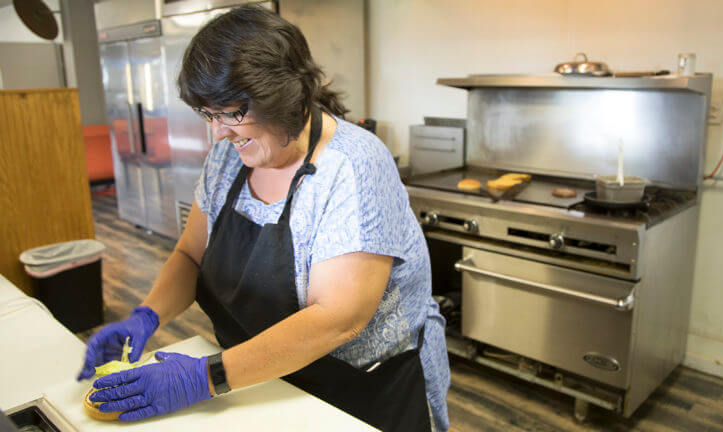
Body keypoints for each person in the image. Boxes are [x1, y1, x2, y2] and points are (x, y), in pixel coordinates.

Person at [77, 5, 450, 432]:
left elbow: (338, 319)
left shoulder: (353, 166)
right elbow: (190, 255)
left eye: (231, 113)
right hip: (261, 377)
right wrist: (146, 317)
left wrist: (205, 377)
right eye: (209, 114)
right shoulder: (229, 156)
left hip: (361, 389)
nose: (218, 132)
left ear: (283, 98)